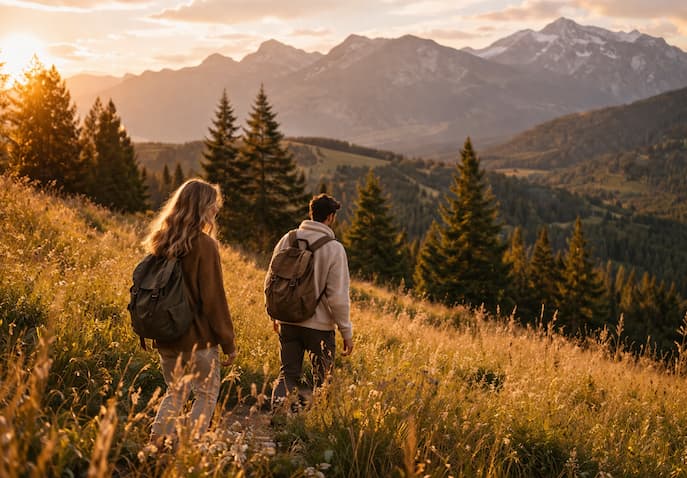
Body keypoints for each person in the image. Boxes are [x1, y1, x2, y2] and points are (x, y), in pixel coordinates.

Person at [142, 178, 236, 447]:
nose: (216, 210)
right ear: (202, 207)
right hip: (197, 340)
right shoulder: (204, 245)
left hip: (167, 337)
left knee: (176, 392)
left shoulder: (160, 240)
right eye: (213, 205)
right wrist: (228, 341)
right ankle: (188, 450)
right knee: (206, 395)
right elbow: (213, 299)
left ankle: (157, 445)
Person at [267, 193, 353, 410]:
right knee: (323, 380)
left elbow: (271, 278)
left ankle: (276, 418)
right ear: (331, 217)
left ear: (311, 213)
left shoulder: (288, 239)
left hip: (288, 322)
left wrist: (274, 314)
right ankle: (314, 429)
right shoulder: (334, 249)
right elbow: (338, 298)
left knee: (287, 374)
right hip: (320, 329)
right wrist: (346, 332)